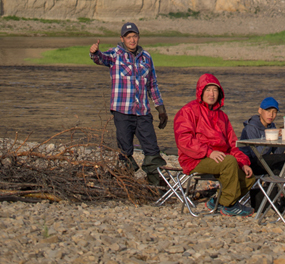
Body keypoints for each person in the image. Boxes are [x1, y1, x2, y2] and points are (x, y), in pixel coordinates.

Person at [89, 21, 168, 186]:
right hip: (122, 111)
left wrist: (160, 108)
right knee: (125, 151)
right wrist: (95, 52)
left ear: (138, 37)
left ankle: (155, 185)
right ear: (122, 38)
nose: (132, 40)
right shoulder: (115, 54)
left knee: (152, 149)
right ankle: (125, 184)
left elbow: (152, 84)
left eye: (134, 36)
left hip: (143, 112)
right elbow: (101, 58)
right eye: (128, 37)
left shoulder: (147, 57)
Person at [173, 73, 255, 217]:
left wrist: (243, 163)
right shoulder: (188, 111)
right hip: (195, 159)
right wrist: (209, 152)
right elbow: (184, 140)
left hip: (220, 159)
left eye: (215, 90)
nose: (211, 94)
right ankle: (229, 206)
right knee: (229, 162)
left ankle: (218, 202)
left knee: (249, 177)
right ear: (201, 91)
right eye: (208, 90)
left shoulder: (223, 116)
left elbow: (232, 145)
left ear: (220, 93)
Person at [239, 96, 285, 210]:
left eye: (274, 112)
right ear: (260, 111)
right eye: (268, 111)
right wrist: (271, 137)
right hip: (250, 163)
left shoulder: (272, 126)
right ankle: (273, 201)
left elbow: (276, 152)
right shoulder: (251, 128)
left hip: (265, 160)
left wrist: (282, 139)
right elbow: (257, 153)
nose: (271, 115)